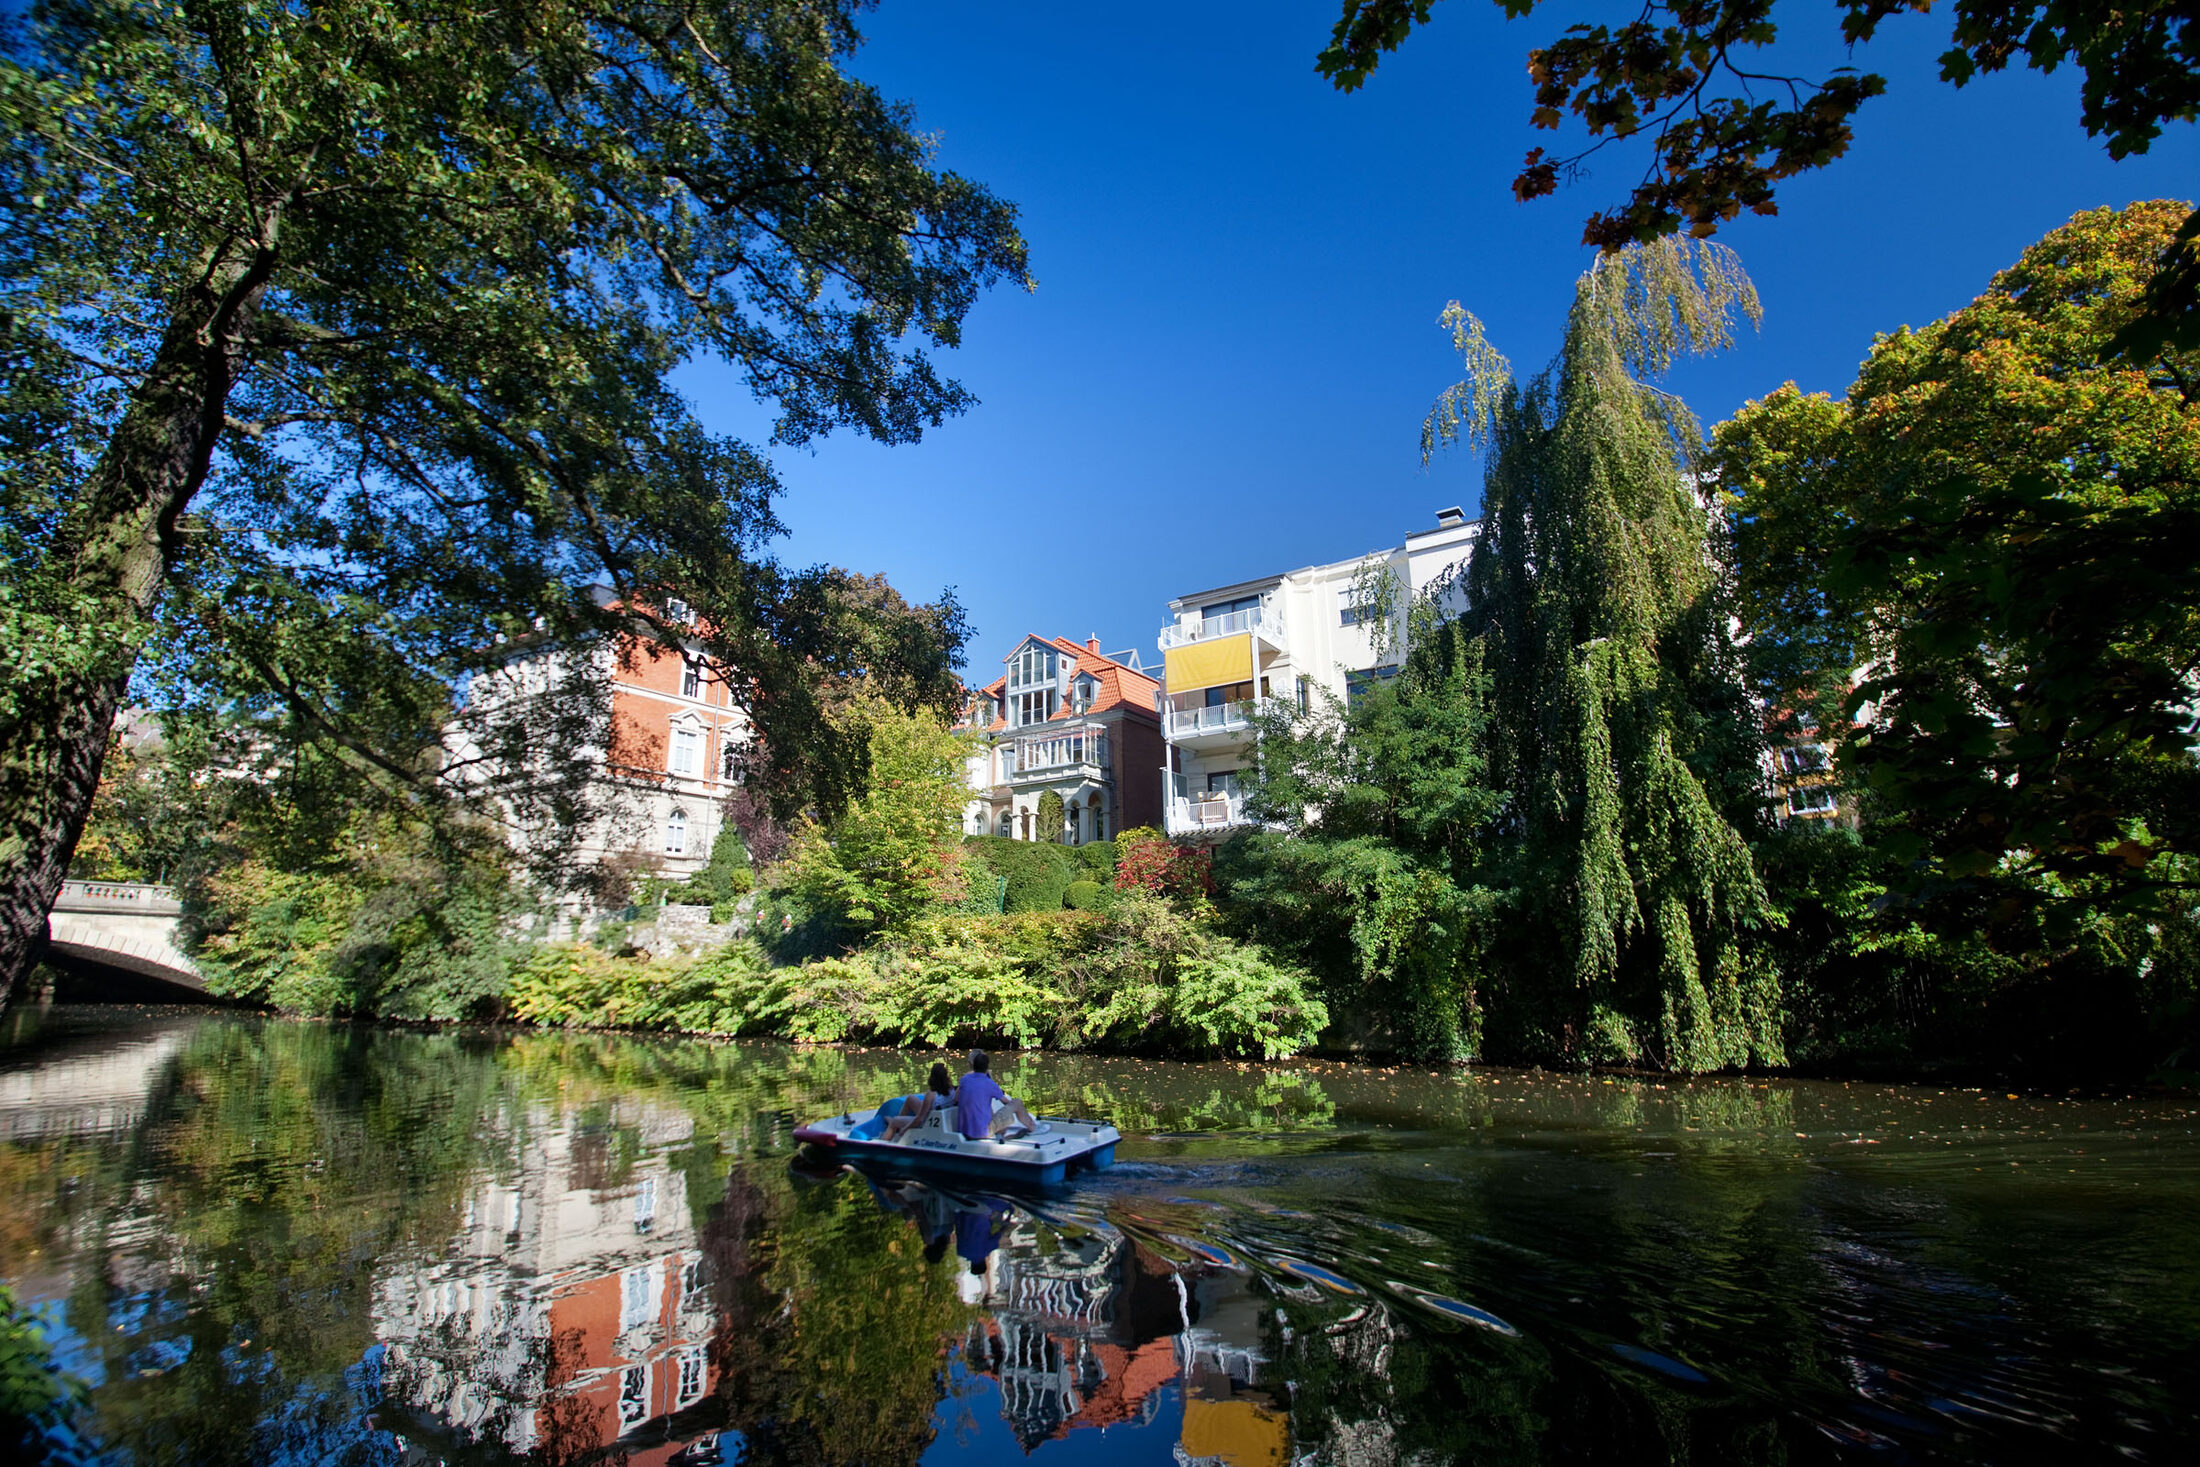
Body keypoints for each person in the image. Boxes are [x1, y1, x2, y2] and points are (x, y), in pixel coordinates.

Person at [956, 1049, 1040, 1139]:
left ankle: (1004, 1135)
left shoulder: (964, 1079)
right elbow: (1006, 1102)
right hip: (983, 1132)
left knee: (992, 1112)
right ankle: (1033, 1128)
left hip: (964, 1132)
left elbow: (956, 1099)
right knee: (1017, 1103)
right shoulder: (989, 1083)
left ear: (972, 1065)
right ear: (987, 1067)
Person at [885, 1063, 955, 1142]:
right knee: (910, 1099)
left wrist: (905, 1129)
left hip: (928, 1122)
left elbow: (920, 1119)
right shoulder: (952, 1090)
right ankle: (898, 1124)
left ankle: (887, 1136)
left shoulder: (931, 1094)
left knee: (895, 1120)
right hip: (941, 1117)